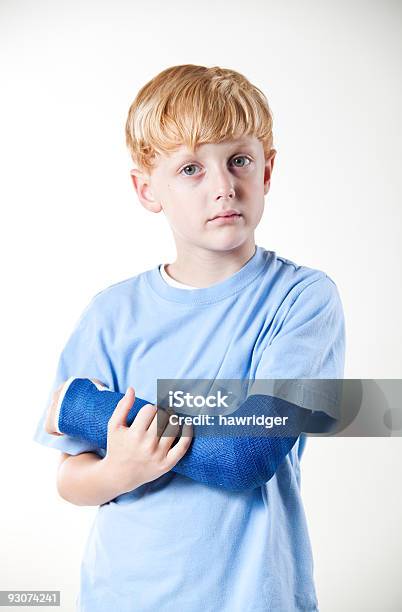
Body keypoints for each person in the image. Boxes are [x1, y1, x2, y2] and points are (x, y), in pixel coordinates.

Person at [33, 64, 346, 611]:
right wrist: (118, 469)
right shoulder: (112, 314)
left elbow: (247, 455)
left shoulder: (302, 299)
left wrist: (83, 407)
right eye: (191, 169)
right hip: (125, 595)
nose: (223, 186)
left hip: (253, 595)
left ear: (267, 172)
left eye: (239, 161)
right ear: (146, 189)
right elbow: (70, 478)